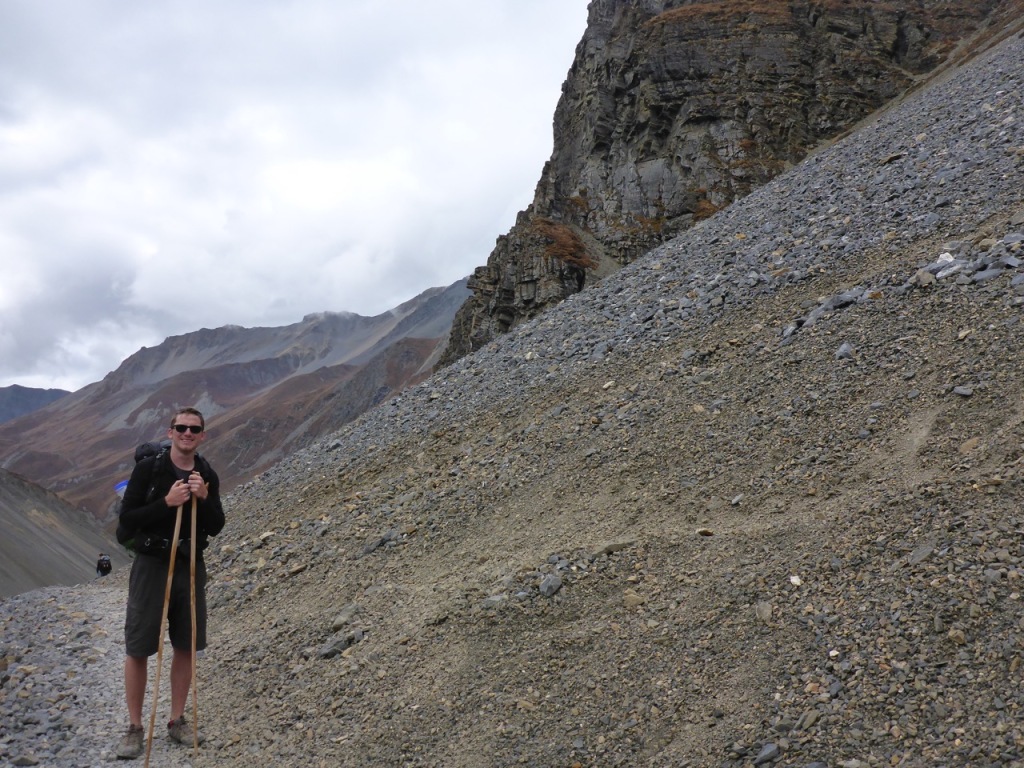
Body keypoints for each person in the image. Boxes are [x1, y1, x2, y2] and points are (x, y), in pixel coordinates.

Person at [114, 407, 225, 760]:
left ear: (202, 435)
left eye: (194, 429)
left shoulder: (206, 474)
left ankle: (176, 720)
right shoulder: (149, 470)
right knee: (138, 646)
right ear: (170, 431)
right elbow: (126, 523)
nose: (187, 433)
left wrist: (204, 498)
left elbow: (217, 524)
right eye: (181, 427)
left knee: (186, 644)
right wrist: (167, 503)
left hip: (189, 564)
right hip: (152, 565)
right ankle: (134, 727)